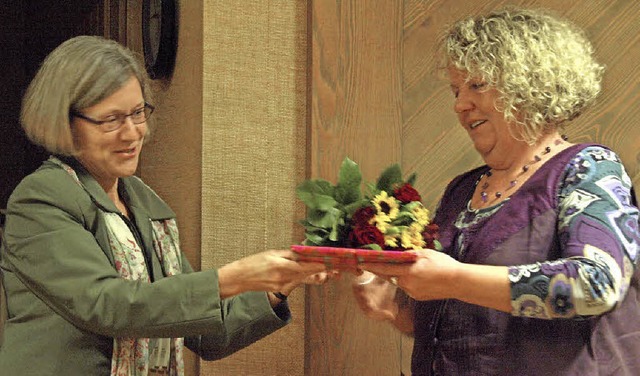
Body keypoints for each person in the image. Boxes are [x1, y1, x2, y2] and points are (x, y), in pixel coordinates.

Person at [0, 35, 328, 375]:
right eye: (111, 120)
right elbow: (111, 306)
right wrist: (232, 278)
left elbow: (205, 333)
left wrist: (278, 283)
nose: (132, 133)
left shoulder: (143, 200)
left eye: (137, 112)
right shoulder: (39, 199)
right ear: (64, 121)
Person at [352, 6, 640, 375]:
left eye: (477, 85)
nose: (459, 105)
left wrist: (453, 277)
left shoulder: (588, 167)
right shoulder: (462, 190)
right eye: (456, 90)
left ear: (530, 84)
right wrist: (394, 308)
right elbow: (458, 322)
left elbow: (597, 284)